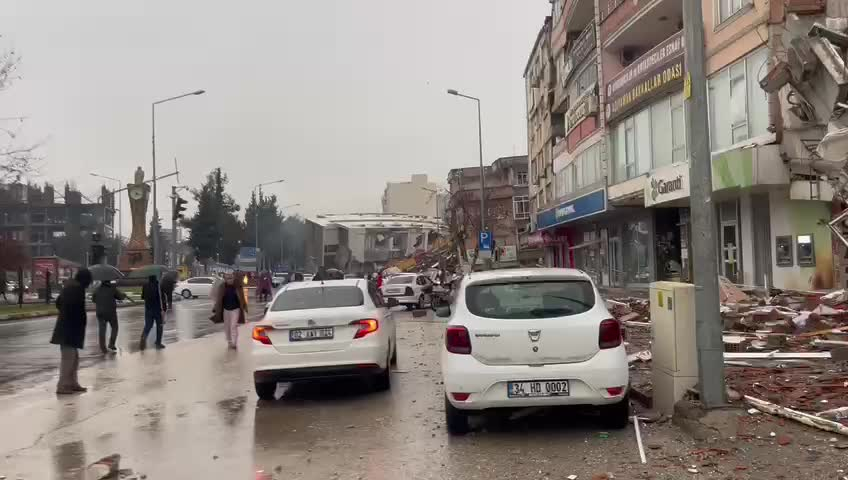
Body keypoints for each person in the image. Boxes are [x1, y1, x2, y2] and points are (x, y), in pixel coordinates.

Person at [50, 268, 93, 394]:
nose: (89, 283)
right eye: (89, 280)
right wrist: (71, 318)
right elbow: (74, 308)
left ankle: (72, 383)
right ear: (85, 280)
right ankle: (62, 385)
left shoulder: (71, 287)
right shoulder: (76, 289)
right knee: (68, 359)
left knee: (73, 358)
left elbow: (58, 303)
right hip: (69, 329)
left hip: (68, 328)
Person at [91, 280, 129, 354]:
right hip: (111, 312)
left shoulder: (97, 289)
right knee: (115, 327)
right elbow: (120, 297)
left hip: (100, 313)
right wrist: (124, 295)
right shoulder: (112, 288)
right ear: (109, 281)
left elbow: (93, 300)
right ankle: (111, 344)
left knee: (102, 330)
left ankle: (102, 347)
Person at [212, 272, 248, 349]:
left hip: (236, 309)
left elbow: (242, 297)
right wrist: (216, 307)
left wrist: (245, 307)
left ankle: (234, 343)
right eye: (228, 278)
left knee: (233, 326)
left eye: (231, 278)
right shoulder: (222, 287)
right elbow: (218, 298)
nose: (230, 280)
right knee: (227, 327)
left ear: (233, 278)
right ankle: (229, 341)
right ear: (225, 279)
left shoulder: (237, 286)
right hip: (226, 310)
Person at [140, 275, 166, 350]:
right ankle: (158, 343)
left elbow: (143, 297)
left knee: (148, 326)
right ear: (155, 278)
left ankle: (143, 338)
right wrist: (164, 309)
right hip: (158, 309)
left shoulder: (145, 285)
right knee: (159, 326)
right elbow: (162, 298)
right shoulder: (159, 286)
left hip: (148, 309)